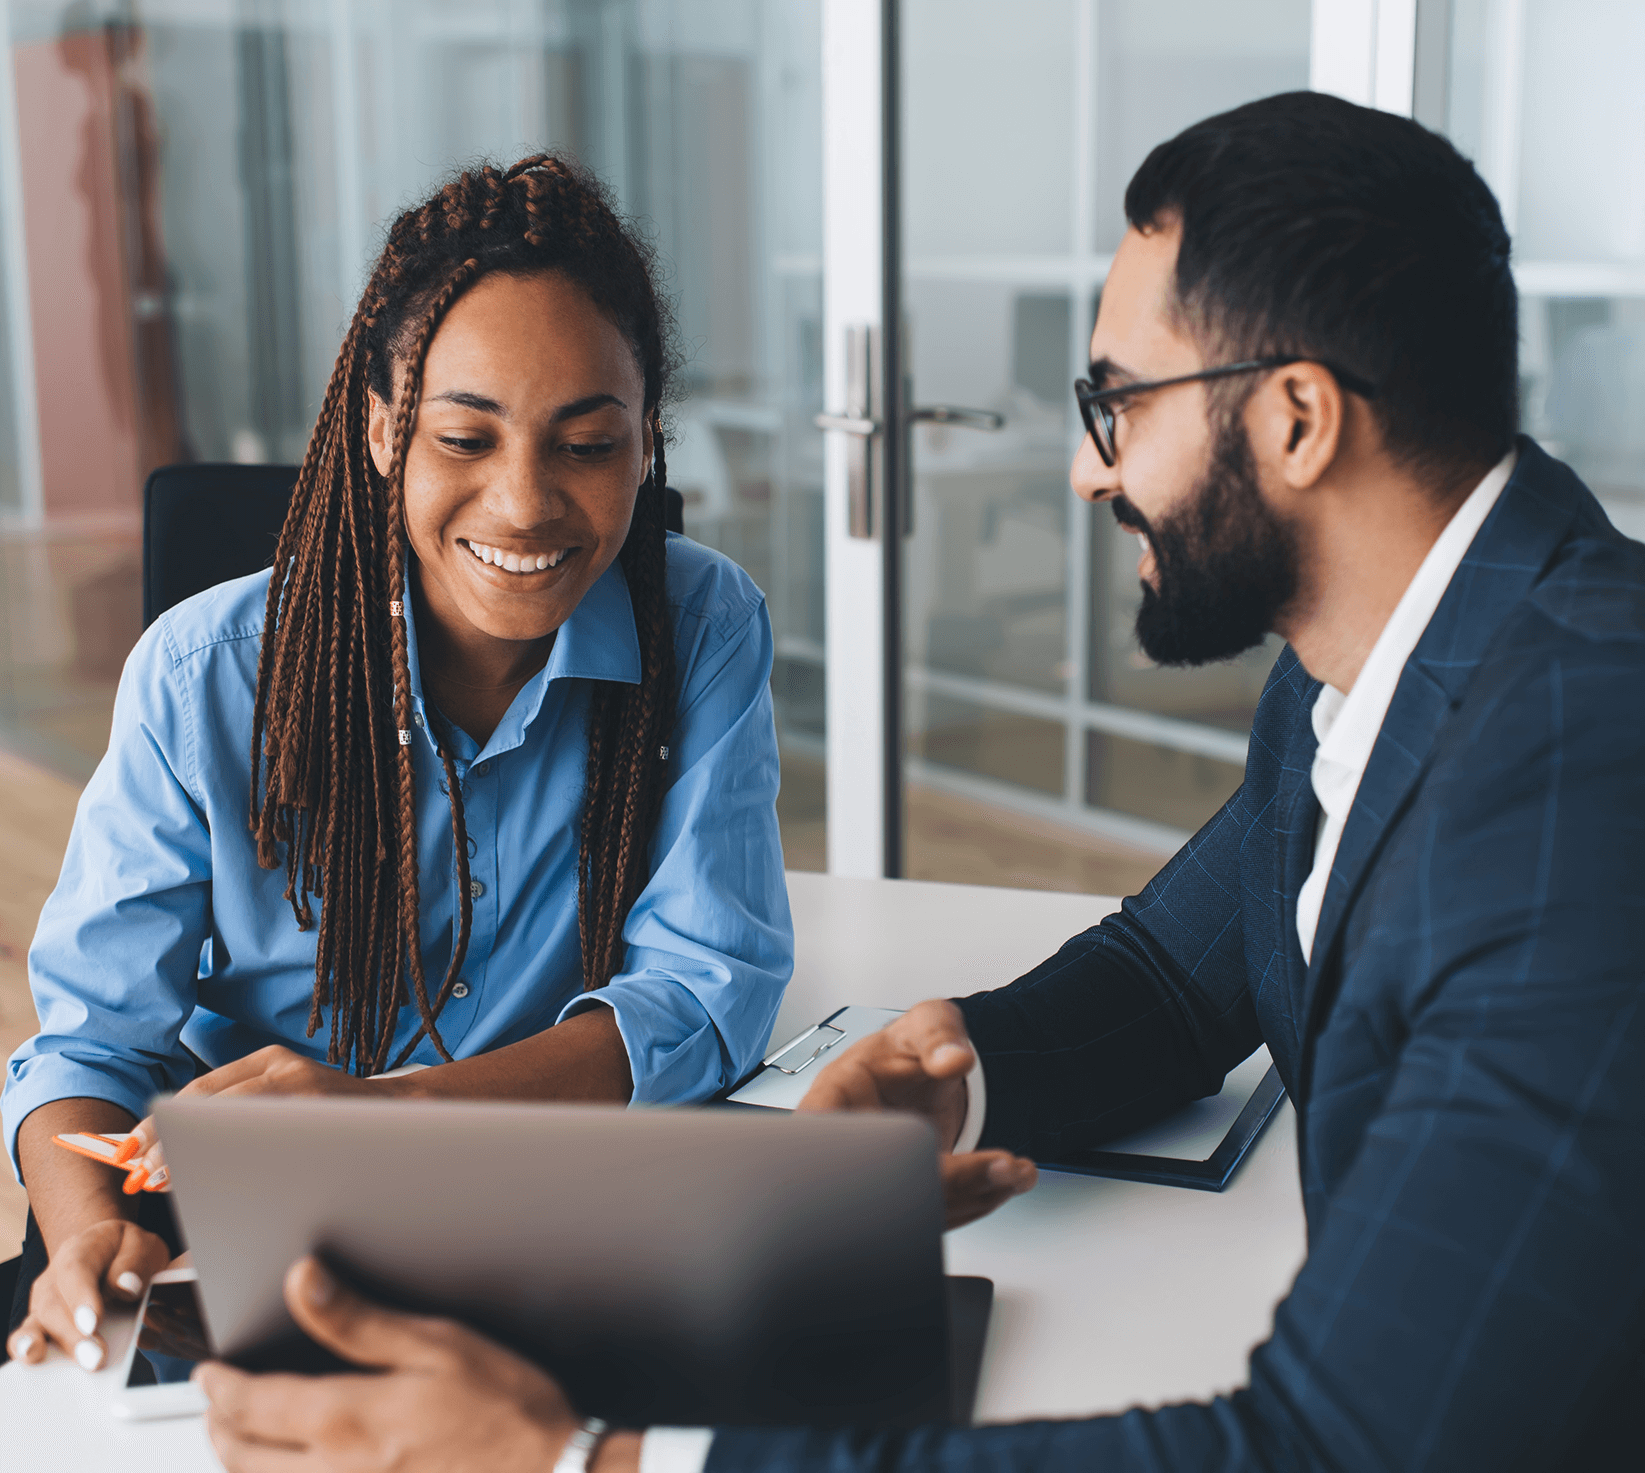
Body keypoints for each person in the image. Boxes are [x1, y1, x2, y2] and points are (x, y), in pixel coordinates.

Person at [99, 87, 1645, 1470]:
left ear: (1296, 418)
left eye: (1116, 404)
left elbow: (1334, 1444)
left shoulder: (1574, 773)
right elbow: (1179, 981)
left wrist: (594, 1458)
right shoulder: (1384, 666)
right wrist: (940, 1085)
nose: (1086, 469)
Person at [3, 156, 792, 1371]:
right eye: (464, 436)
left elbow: (701, 989)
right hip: (236, 1229)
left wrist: (387, 1117)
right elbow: (93, 1047)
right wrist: (89, 1235)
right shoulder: (202, 673)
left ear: (648, 446)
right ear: (381, 431)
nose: (525, 504)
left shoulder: (703, 626)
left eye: (588, 444)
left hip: (555, 1203)